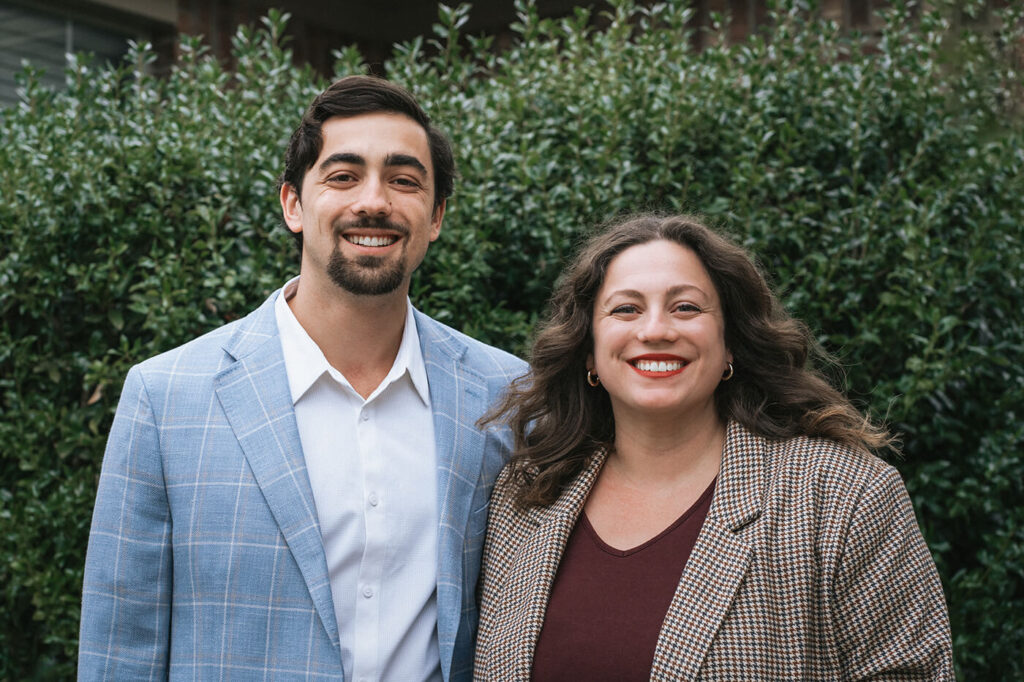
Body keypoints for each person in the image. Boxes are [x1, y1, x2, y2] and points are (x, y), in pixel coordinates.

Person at [78, 75, 525, 681]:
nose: (375, 201)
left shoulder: (506, 396)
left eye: (404, 180)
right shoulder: (166, 398)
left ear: (436, 215)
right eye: (343, 177)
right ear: (293, 204)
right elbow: (120, 649)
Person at [474, 214, 953, 680]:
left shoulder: (842, 495)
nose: (656, 330)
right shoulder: (527, 494)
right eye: (626, 309)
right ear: (589, 351)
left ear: (729, 345)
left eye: (686, 307)